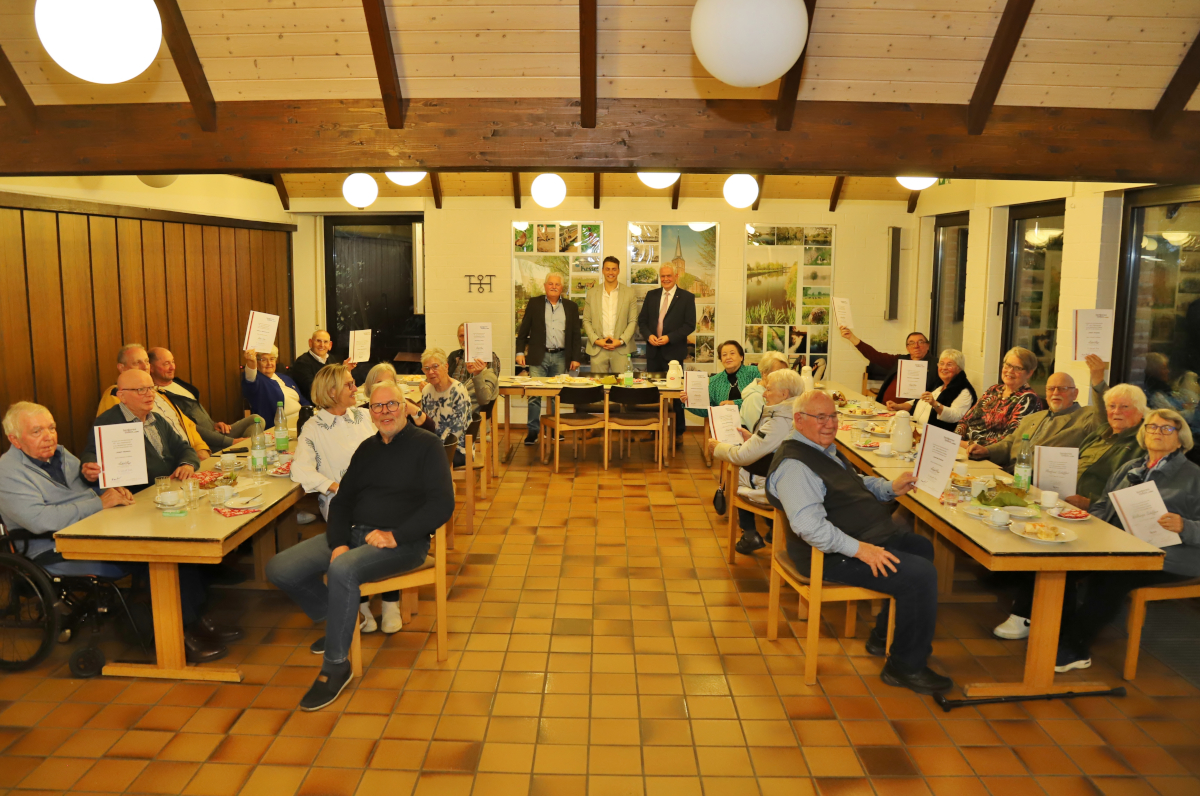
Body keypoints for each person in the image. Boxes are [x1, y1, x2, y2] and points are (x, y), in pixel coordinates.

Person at [266, 380, 454, 711]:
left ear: (404, 406)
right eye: (377, 407)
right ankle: (343, 614)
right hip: (355, 535)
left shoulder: (427, 446)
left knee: (342, 570)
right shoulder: (367, 449)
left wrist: (395, 536)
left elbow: (442, 505)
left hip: (404, 543)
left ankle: (337, 665)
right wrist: (338, 542)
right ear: (370, 412)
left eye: (392, 405)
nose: (385, 412)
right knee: (280, 568)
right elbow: (342, 502)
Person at [1, 402, 236, 662]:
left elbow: (89, 485)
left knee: (180, 550)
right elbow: (39, 519)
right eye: (37, 431)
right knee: (162, 555)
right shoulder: (7, 473)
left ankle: (195, 621)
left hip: (94, 532)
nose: (48, 436)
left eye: (51, 428)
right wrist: (98, 502)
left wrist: (110, 488)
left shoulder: (60, 454)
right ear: (14, 439)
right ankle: (176, 638)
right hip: (53, 548)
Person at [765, 390, 951, 695]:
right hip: (825, 555)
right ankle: (905, 667)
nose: (830, 424)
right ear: (799, 420)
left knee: (920, 547)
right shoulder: (795, 466)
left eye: (833, 416)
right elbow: (809, 527)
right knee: (920, 576)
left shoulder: (820, 449)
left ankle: (882, 636)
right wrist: (861, 550)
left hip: (860, 536)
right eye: (820, 417)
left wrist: (890, 486)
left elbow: (850, 484)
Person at [992, 379, 1149, 641]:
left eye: (1125, 407)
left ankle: (1027, 615)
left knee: (1045, 549)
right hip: (1067, 505)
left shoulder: (1139, 446)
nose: (1116, 412)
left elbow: (1130, 496)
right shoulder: (1101, 434)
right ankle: (1049, 615)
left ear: (1141, 413)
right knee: (1015, 521)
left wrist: (1089, 502)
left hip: (1100, 519)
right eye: (1111, 406)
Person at [1053, 408, 1200, 673]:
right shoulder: (1130, 468)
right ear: (1144, 434)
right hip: (1121, 547)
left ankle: (1075, 647)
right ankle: (1056, 633)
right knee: (1060, 562)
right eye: (1152, 427)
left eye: (1167, 429)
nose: (1157, 433)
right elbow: (1102, 505)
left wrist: (1185, 526)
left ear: (1181, 439)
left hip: (1171, 556)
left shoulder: (1194, 476)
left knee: (1112, 576)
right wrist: (1088, 525)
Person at [292, 363, 402, 633]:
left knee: (391, 521)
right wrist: (333, 486)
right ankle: (362, 606)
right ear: (331, 392)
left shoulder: (364, 417)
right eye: (349, 384)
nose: (356, 388)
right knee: (355, 534)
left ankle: (390, 603)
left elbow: (394, 443)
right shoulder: (313, 428)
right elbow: (300, 469)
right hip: (343, 504)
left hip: (378, 496)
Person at [708, 369, 805, 554]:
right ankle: (771, 530)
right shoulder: (792, 414)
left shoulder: (779, 421)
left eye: (768, 389)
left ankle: (750, 533)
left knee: (736, 474)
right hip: (787, 478)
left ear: (784, 394)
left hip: (772, 484)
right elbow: (771, 444)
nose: (764, 394)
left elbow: (742, 456)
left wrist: (718, 447)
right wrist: (752, 438)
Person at [966, 368, 1105, 471]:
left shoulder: (1086, 417)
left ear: (1075, 394)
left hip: (1042, 481)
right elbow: (1009, 443)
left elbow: (1103, 417)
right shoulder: (1033, 418)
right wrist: (987, 451)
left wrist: (1098, 383)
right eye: (1051, 389)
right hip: (1009, 472)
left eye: (1062, 389)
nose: (1056, 393)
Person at [83, 370, 199, 491]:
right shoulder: (108, 422)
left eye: (151, 388)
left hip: (171, 487)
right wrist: (90, 468)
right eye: (141, 390)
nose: (150, 394)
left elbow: (183, 448)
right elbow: (92, 454)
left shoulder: (156, 418)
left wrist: (187, 464)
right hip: (138, 495)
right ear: (122, 396)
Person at [96, 343, 212, 460]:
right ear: (122, 368)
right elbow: (113, 441)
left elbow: (188, 425)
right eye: (137, 363)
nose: (144, 367)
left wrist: (200, 448)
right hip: (163, 464)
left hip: (189, 457)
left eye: (146, 362)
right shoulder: (117, 394)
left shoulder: (160, 393)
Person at [148, 347, 260, 452]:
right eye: (166, 364)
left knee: (256, 420)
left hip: (217, 431)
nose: (172, 367)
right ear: (151, 367)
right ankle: (246, 451)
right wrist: (231, 442)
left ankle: (247, 450)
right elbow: (190, 427)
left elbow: (198, 413)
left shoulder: (178, 383)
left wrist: (214, 423)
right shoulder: (160, 396)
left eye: (172, 362)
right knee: (252, 437)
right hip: (208, 442)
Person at [516, 273, 581, 446]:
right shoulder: (534, 304)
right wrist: (520, 352)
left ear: (562, 288)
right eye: (550, 283)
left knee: (556, 396)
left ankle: (554, 429)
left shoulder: (571, 307)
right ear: (545, 286)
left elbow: (576, 335)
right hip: (539, 356)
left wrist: (576, 357)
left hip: (561, 356)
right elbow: (524, 331)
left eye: (557, 284)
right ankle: (533, 432)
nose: (554, 286)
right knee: (534, 395)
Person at [637, 263, 697, 437]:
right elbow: (643, 321)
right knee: (653, 393)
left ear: (676, 276)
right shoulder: (652, 295)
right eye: (662, 276)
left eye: (669, 276)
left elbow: (689, 325)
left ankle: (677, 432)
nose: (665, 279)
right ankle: (654, 430)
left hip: (674, 354)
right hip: (653, 352)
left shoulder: (686, 297)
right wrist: (649, 336)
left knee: (676, 395)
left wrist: (669, 337)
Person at [955, 346, 1044, 446]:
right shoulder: (994, 390)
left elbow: (1009, 440)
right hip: (962, 447)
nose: (1010, 371)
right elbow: (965, 420)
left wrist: (966, 445)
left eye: (1017, 368)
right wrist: (955, 440)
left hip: (988, 455)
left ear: (1029, 373)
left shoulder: (1029, 400)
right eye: (1008, 365)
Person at [838, 328, 939, 406]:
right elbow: (875, 356)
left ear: (928, 346)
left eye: (921, 342)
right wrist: (852, 337)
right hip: (884, 405)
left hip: (910, 410)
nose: (916, 346)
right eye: (912, 343)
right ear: (907, 348)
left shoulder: (937, 365)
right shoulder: (900, 360)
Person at [887, 349, 976, 433]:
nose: (944, 368)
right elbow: (918, 401)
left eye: (949, 364)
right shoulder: (938, 383)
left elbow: (955, 416)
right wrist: (898, 406)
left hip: (938, 438)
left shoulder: (964, 390)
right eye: (941, 363)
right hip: (917, 431)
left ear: (959, 369)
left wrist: (935, 404)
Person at [581, 256, 639, 374]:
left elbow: (633, 321)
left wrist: (621, 341)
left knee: (623, 388)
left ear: (618, 271)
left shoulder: (629, 293)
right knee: (598, 387)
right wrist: (597, 340)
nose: (610, 272)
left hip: (621, 349)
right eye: (607, 269)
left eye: (614, 269)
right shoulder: (592, 293)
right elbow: (586, 321)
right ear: (602, 270)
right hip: (598, 349)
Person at [420, 348, 472, 466]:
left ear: (446, 367)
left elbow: (456, 431)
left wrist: (434, 447)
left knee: (426, 461)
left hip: (456, 448)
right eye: (426, 369)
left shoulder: (458, 391)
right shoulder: (426, 391)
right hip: (434, 446)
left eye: (435, 367)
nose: (431, 372)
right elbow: (425, 424)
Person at [684, 340, 760, 419]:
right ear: (721, 359)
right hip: (726, 425)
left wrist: (734, 404)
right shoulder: (714, 381)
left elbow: (761, 398)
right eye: (724, 355)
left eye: (732, 353)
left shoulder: (754, 372)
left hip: (753, 425)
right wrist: (688, 402)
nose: (728, 357)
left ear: (741, 357)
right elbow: (708, 410)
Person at [243, 345, 311, 429]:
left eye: (272, 359)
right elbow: (250, 374)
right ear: (257, 362)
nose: (269, 363)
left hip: (301, 420)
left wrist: (310, 413)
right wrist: (251, 362)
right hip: (282, 426)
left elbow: (303, 401)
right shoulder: (257, 380)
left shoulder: (284, 378)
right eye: (264, 360)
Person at [447, 324, 500, 419]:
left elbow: (490, 388)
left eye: (467, 335)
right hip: (451, 398)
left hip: (472, 404)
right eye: (461, 336)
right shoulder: (454, 356)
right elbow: (443, 377)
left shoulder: (489, 357)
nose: (464, 339)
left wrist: (477, 373)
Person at [289, 329, 356, 402]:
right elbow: (314, 390)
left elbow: (338, 385)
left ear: (330, 345)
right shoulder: (302, 363)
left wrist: (345, 370)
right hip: (316, 405)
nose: (322, 345)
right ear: (310, 343)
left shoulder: (332, 359)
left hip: (333, 401)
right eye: (318, 341)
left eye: (325, 342)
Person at [740, 351, 789, 430]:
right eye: (778, 373)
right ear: (764, 374)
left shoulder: (779, 392)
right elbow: (761, 434)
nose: (783, 377)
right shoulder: (755, 398)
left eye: (785, 373)